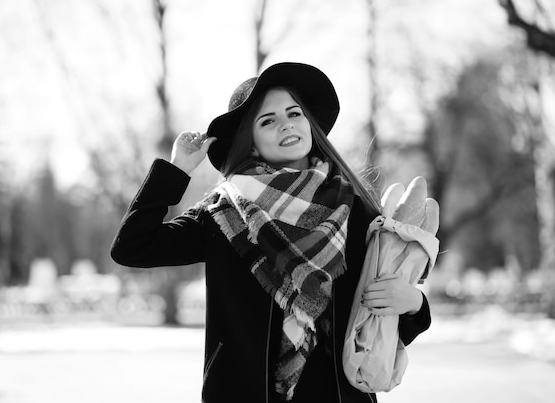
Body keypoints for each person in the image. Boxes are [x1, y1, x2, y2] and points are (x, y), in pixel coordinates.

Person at [110, 62, 431, 403]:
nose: (286, 125)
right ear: (250, 144)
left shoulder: (353, 207)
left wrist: (414, 304)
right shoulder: (222, 215)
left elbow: (378, 320)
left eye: (294, 113)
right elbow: (132, 246)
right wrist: (176, 171)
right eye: (268, 120)